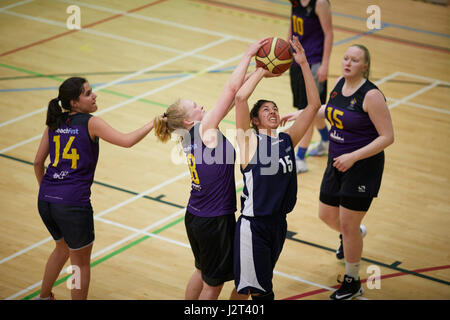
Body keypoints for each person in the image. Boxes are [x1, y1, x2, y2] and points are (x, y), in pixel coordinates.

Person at [152, 39, 268, 300]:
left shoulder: (190, 135)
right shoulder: (204, 130)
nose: (203, 106)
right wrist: (251, 56)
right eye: (196, 106)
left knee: (201, 272)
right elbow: (231, 89)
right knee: (213, 285)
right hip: (214, 220)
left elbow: (234, 98)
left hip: (195, 216)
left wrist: (259, 72)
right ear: (189, 120)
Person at [283, 44, 394, 299]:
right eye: (345, 58)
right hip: (336, 162)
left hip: (362, 166)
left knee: (347, 222)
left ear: (365, 66)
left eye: (354, 60)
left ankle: (352, 281)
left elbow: (388, 136)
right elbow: (326, 110)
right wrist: (300, 114)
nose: (347, 63)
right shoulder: (340, 86)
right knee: (326, 216)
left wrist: (353, 156)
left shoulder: (371, 95)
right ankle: (352, 234)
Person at [33, 77, 153, 300]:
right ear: (74, 103)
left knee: (61, 249)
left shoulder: (55, 122)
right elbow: (126, 141)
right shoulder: (90, 122)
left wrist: (48, 191)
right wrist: (153, 123)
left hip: (46, 201)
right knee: (80, 265)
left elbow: (38, 162)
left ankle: (43, 297)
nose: (94, 95)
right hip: (72, 205)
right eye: (88, 93)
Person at [233, 36, 321, 300]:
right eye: (266, 110)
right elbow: (239, 97)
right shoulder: (249, 142)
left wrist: (304, 65)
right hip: (254, 227)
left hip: (278, 225)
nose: (272, 112)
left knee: (247, 289)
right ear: (255, 120)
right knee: (262, 293)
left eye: (275, 108)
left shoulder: (286, 140)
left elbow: (314, 106)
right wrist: (262, 67)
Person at [288, 0, 333, 173]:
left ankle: (300, 157)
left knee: (309, 110)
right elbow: (292, 27)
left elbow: (329, 34)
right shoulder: (295, 2)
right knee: (309, 108)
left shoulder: (320, 3)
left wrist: (325, 64)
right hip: (296, 61)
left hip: (313, 62)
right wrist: (286, 51)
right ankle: (325, 141)